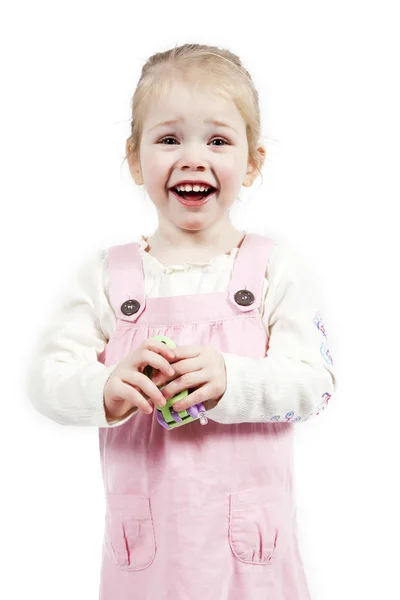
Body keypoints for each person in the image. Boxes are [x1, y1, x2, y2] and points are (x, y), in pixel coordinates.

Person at [26, 43, 337, 600]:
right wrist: (105, 388)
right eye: (169, 139)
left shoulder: (273, 268)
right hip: (147, 560)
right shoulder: (110, 276)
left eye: (218, 140)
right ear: (135, 158)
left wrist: (233, 380)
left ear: (253, 162)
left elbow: (314, 385)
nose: (193, 158)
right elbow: (45, 380)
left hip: (253, 563)